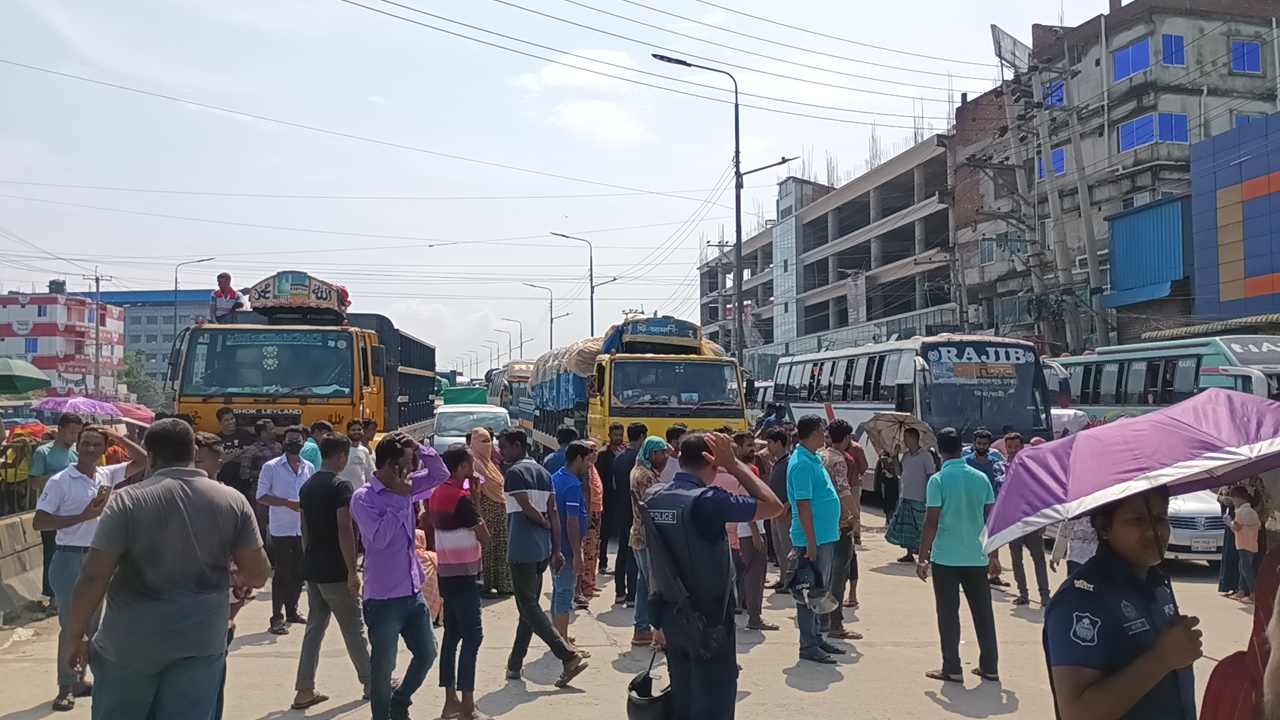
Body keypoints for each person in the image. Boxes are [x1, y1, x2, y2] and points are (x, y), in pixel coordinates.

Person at [59, 418, 269, 720]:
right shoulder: (232, 500)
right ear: (192, 453)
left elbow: (94, 576)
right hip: (201, 640)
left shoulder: (126, 502)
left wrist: (75, 636)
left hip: (131, 641)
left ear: (152, 457)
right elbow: (258, 574)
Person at [645, 431, 783, 720]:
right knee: (714, 701)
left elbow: (655, 561)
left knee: (683, 697)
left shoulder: (655, 496)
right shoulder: (707, 501)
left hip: (671, 613)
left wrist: (656, 620)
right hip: (709, 618)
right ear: (713, 461)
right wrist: (734, 464)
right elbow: (774, 506)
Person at [1045, 486, 1201, 720]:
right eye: (1137, 520)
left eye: (1161, 518)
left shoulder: (1157, 584)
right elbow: (1077, 713)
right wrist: (1161, 659)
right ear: (1104, 527)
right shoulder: (1081, 598)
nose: (1154, 531)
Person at [34, 424, 147, 712]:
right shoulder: (61, 481)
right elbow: (40, 522)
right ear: (78, 446)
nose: (91, 449)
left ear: (104, 448)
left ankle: (79, 680)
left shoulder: (105, 475)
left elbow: (144, 460)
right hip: (70, 557)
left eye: (97, 444)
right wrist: (82, 516)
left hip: (99, 557)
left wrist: (118, 436)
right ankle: (65, 685)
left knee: (93, 626)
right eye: (86, 444)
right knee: (71, 624)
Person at [350, 432, 446, 720]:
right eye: (407, 462)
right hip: (383, 598)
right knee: (383, 670)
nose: (413, 467)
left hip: (412, 592)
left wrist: (420, 449)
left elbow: (440, 474)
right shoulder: (364, 498)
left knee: (427, 653)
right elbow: (379, 538)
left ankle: (400, 701)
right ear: (392, 466)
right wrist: (399, 500)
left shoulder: (408, 485)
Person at [498, 426, 590, 687]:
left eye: (503, 447)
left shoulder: (514, 473)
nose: (501, 452)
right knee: (528, 609)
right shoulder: (543, 472)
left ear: (517, 445)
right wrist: (556, 549)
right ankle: (514, 665)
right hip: (541, 549)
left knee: (529, 607)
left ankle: (567, 655)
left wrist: (543, 524)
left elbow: (528, 508)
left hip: (521, 548)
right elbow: (553, 512)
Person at [293, 432, 372, 710]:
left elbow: (304, 528)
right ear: (341, 456)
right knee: (354, 628)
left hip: (313, 566)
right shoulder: (341, 486)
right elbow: (345, 529)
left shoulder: (308, 486)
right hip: (335, 568)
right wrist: (352, 571)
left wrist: (309, 558)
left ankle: (304, 688)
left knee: (314, 629)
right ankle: (372, 682)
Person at [916, 427, 999, 684]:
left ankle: (952, 667)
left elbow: (931, 522)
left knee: (948, 614)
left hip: (946, 558)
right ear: (962, 448)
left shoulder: (938, 480)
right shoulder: (981, 478)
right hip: (977, 556)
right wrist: (994, 555)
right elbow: (992, 520)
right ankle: (990, 666)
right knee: (983, 613)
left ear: (939, 450)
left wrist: (922, 558)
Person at [430, 444, 491, 720]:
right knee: (473, 636)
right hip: (465, 576)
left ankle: (450, 701)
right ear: (464, 466)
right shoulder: (460, 498)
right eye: (471, 462)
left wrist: (473, 496)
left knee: (452, 635)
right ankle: (467, 706)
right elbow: (484, 537)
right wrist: (475, 499)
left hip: (446, 573)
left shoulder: (437, 493)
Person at [787, 415, 846, 664]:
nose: (825, 436)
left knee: (818, 590)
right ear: (813, 434)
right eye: (823, 432)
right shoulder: (802, 463)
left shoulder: (813, 458)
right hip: (813, 539)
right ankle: (808, 644)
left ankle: (816, 637)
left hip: (824, 535)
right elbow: (803, 504)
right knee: (807, 591)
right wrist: (810, 540)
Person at [257, 425, 315, 635]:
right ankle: (276, 617)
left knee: (299, 572)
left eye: (298, 440)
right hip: (281, 528)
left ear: (303, 442)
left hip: (302, 528)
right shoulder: (271, 467)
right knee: (282, 572)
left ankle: (292, 610)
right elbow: (261, 496)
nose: (294, 443)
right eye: (290, 440)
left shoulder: (309, 467)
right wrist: (286, 503)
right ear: (284, 442)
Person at [30, 412, 85, 614]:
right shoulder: (43, 453)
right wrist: (62, 476)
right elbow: (35, 482)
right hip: (51, 513)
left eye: (78, 434)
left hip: (77, 514)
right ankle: (53, 596)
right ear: (60, 430)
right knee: (52, 553)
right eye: (71, 432)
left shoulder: (79, 453)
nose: (74, 437)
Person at [820, 419, 863, 637]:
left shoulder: (821, 456)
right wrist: (855, 516)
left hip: (823, 521)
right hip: (840, 523)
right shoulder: (839, 460)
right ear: (846, 438)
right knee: (838, 575)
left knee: (824, 573)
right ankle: (835, 624)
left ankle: (822, 620)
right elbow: (844, 490)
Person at [629, 435, 670, 647]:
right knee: (654, 587)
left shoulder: (639, 470)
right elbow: (655, 508)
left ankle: (642, 628)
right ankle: (655, 633)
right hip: (647, 538)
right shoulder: (646, 477)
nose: (665, 457)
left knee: (643, 585)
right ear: (652, 453)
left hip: (639, 535)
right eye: (662, 453)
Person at [733, 430, 776, 633]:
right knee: (755, 575)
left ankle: (750, 610)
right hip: (750, 530)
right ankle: (755, 617)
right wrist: (756, 532)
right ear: (738, 448)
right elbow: (747, 502)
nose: (753, 449)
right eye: (748, 445)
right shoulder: (745, 471)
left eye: (754, 445)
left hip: (749, 529)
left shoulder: (742, 469)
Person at [551, 441, 591, 647]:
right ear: (579, 459)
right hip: (567, 547)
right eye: (588, 460)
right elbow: (572, 521)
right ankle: (563, 644)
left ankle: (559, 635)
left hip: (556, 545)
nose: (589, 465)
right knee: (565, 591)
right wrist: (577, 554)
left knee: (558, 589)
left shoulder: (556, 477)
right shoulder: (573, 485)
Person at [1003, 433, 1050, 607]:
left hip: (1032, 521)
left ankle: (1045, 595)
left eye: (1016, 447)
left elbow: (1041, 495)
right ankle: (1023, 593)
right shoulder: (1001, 467)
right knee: (1016, 559)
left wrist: (1043, 521)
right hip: (1012, 522)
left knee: (1039, 559)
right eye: (1010, 447)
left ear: (1022, 447)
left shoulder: (1033, 468)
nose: (1013, 450)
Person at [467, 427, 512, 596]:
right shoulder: (473, 462)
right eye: (483, 441)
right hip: (484, 509)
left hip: (499, 509)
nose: (488, 445)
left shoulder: (490, 463)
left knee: (500, 546)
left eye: (489, 441)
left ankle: (503, 584)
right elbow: (469, 485)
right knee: (486, 548)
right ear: (474, 443)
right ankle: (486, 586)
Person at [964, 428, 1010, 588]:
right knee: (972, 538)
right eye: (979, 443)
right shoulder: (965, 463)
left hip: (991, 506)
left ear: (989, 445)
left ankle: (994, 574)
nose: (981, 446)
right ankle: (970, 573)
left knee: (992, 538)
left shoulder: (996, 464)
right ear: (974, 444)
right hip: (970, 506)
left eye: (984, 444)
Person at [887, 427, 938, 564]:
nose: (904, 441)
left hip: (920, 497)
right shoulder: (906, 456)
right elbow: (899, 473)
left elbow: (930, 476)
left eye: (906, 438)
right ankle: (909, 553)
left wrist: (929, 495)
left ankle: (928, 552)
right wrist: (895, 457)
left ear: (913, 438)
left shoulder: (926, 456)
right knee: (907, 526)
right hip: (906, 495)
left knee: (922, 526)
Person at [612, 422, 647, 607]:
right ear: (642, 437)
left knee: (622, 551)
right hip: (633, 511)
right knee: (634, 553)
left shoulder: (619, 456)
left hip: (620, 509)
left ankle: (619, 593)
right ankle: (632, 595)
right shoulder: (640, 461)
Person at [764, 427, 794, 591]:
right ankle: (782, 579)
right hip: (774, 512)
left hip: (785, 513)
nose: (767, 446)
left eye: (770, 443)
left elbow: (795, 489)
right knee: (778, 549)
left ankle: (790, 582)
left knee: (787, 548)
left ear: (779, 443)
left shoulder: (789, 463)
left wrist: (786, 506)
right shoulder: (776, 463)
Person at [576, 439, 605, 607]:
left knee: (594, 549)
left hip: (597, 511)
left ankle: (591, 583)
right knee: (587, 549)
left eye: (595, 450)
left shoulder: (593, 469)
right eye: (591, 451)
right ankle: (584, 585)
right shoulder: (584, 471)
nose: (594, 454)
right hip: (589, 512)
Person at [596, 422, 624, 574]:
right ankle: (602, 563)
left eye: (620, 435)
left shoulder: (624, 453)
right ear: (609, 436)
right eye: (616, 435)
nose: (618, 438)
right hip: (606, 499)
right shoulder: (603, 455)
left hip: (620, 499)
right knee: (605, 533)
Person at [214, 407, 255, 501]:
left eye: (232, 418)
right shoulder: (217, 439)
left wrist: (227, 457)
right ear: (220, 423)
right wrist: (239, 452)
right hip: (223, 481)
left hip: (243, 482)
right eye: (226, 420)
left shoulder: (244, 435)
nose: (231, 422)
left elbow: (248, 458)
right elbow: (218, 459)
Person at [1232, 485, 1264, 604]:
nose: (1233, 503)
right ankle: (1241, 591)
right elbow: (1259, 527)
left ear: (1237, 499)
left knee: (1246, 569)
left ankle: (1253, 593)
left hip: (1242, 543)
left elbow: (1236, 527)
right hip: (1252, 544)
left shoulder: (1240, 512)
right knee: (1243, 566)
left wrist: (1230, 523)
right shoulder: (1253, 512)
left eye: (1233, 500)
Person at [339, 419, 376, 488]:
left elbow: (370, 474)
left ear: (363, 431)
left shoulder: (365, 451)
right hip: (344, 490)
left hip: (360, 492)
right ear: (347, 432)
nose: (356, 432)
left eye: (359, 429)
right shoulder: (341, 450)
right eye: (353, 430)